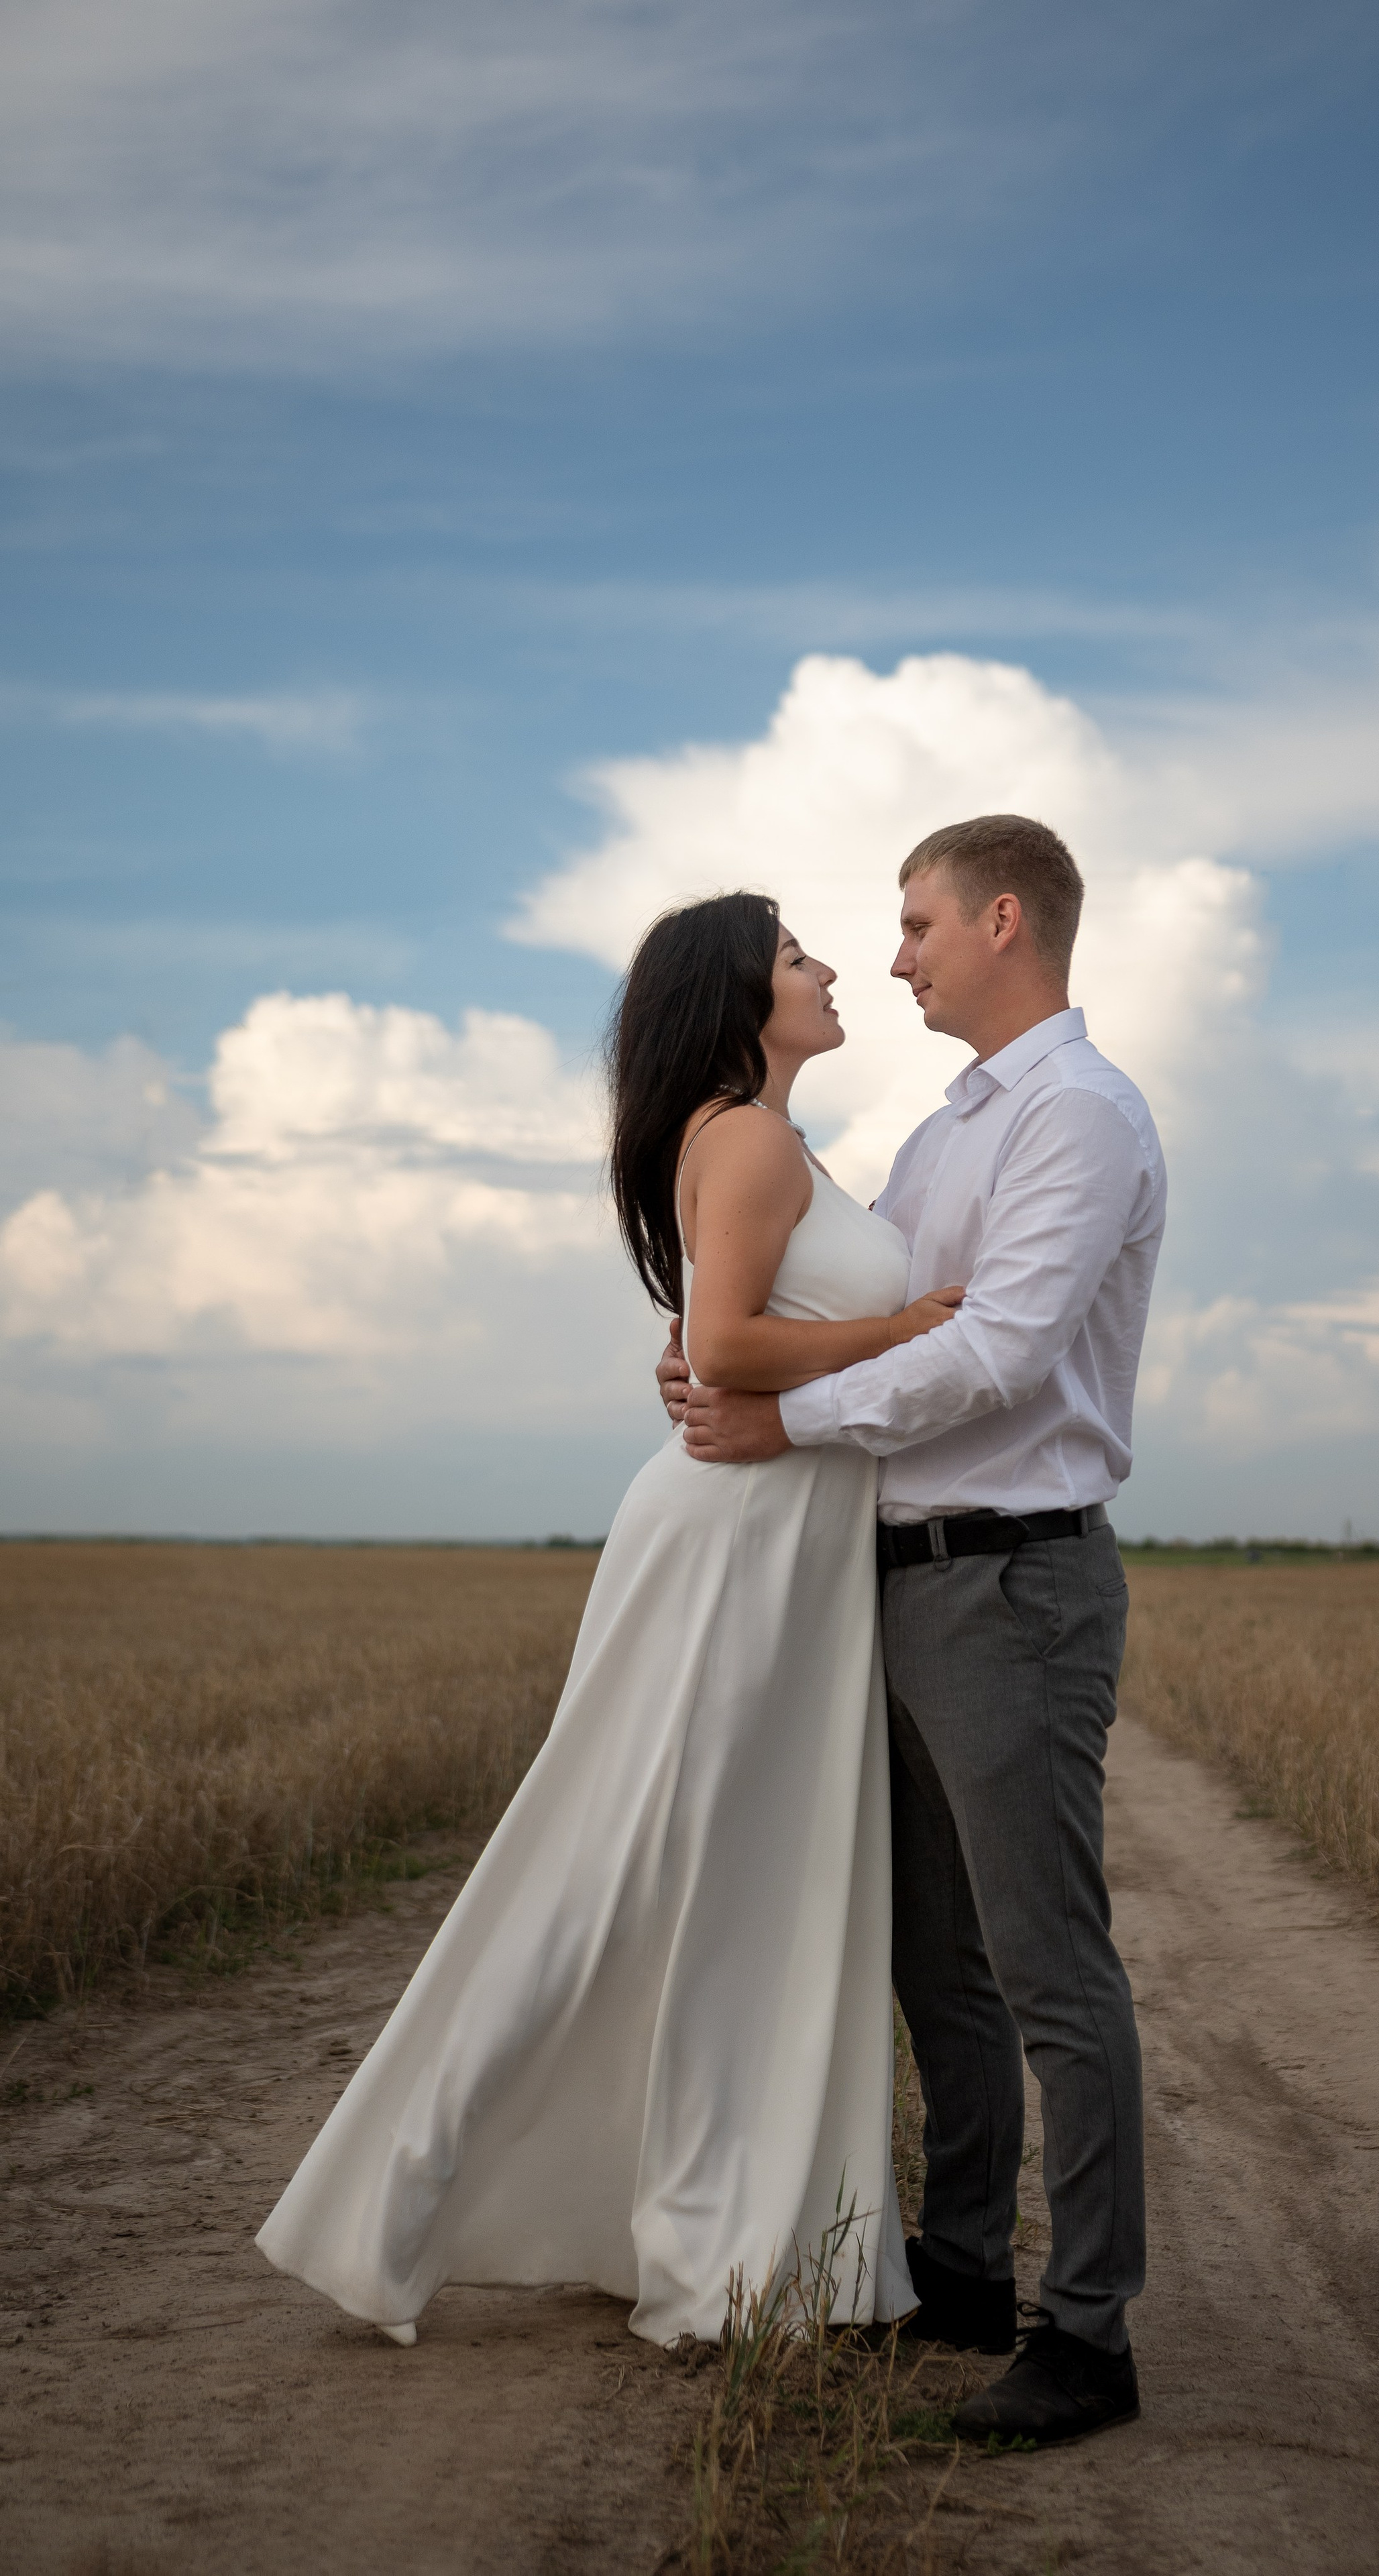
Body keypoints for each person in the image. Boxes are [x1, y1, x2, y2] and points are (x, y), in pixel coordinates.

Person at [257, 892, 964, 2349]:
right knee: (618, 1870)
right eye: (794, 955)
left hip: (779, 1543)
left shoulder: (762, 1137)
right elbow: (722, 1347)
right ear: (734, 995)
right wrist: (904, 1329)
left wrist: (833, 1351)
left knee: (733, 1884)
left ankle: (720, 2218)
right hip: (736, 1543)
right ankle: (386, 2202)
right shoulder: (749, 1135)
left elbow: (719, 1341)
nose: (829, 969)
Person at [659, 815, 1166, 2448]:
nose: (891, 956)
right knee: (932, 1965)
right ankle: (961, 2273)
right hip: (894, 1577)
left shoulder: (1079, 1116)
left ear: (1002, 921)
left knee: (1044, 1970)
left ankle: (1085, 2334)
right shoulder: (952, 1128)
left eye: (916, 924)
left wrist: (781, 1426)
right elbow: (838, 1323)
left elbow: (1000, 1353)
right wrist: (708, 1368)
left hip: (1013, 1580)